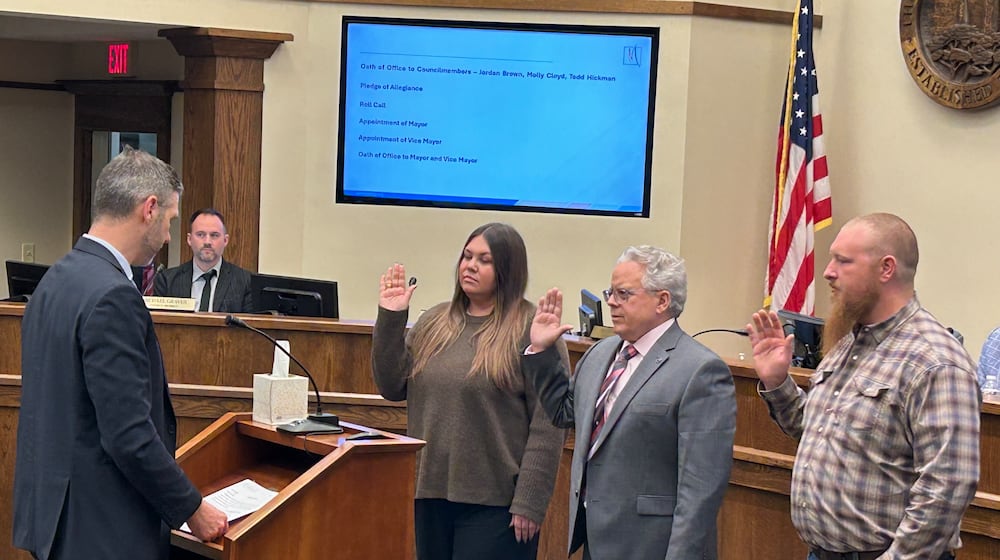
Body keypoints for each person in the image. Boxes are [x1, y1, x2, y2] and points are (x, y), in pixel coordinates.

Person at [13, 147, 228, 560]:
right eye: (169, 221)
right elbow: (128, 435)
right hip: (102, 530)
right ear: (149, 208)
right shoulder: (113, 295)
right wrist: (193, 509)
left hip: (57, 520)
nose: (168, 237)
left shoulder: (56, 278)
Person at [747, 213, 980, 560]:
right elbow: (814, 429)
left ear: (886, 269)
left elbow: (947, 486)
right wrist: (777, 381)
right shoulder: (846, 344)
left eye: (843, 261)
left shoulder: (934, 360)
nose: (828, 271)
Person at [525, 245, 736, 560]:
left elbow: (700, 491)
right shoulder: (601, 353)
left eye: (624, 294)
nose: (611, 302)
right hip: (595, 541)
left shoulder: (700, 370)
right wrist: (541, 352)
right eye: (611, 292)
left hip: (652, 547)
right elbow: (565, 412)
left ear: (662, 301)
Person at [372, 223, 568, 560]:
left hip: (498, 506)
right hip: (431, 495)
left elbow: (548, 425)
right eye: (466, 256)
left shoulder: (530, 329)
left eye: (484, 260)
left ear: (507, 269)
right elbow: (391, 386)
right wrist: (391, 318)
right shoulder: (435, 321)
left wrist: (530, 501)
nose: (470, 265)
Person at [153, 208, 253, 313]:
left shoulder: (245, 282)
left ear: (225, 240)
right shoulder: (167, 280)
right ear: (189, 239)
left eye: (214, 235)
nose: (207, 241)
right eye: (200, 234)